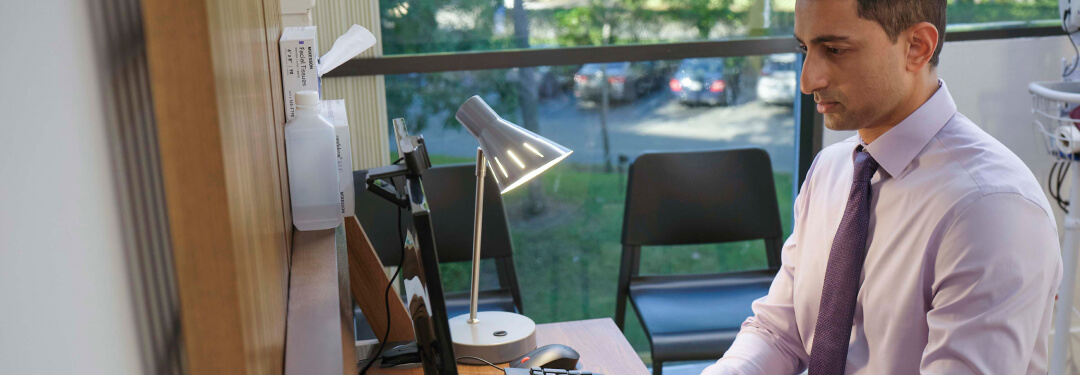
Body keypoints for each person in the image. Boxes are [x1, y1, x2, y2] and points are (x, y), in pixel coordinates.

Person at [701, 0, 1063, 374]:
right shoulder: (831, 170)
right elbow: (779, 331)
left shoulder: (990, 209)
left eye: (835, 50)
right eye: (804, 49)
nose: (808, 81)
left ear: (917, 47)